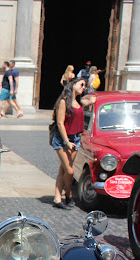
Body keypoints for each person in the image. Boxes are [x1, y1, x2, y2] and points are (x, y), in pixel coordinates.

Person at [50, 77, 95, 209]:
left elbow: (92, 100)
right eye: (81, 84)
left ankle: (57, 198)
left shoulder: (79, 102)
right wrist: (67, 141)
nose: (83, 87)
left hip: (75, 138)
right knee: (70, 171)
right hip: (63, 139)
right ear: (73, 84)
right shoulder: (64, 101)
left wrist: (95, 98)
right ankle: (69, 194)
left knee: (63, 169)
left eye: (85, 85)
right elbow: (60, 123)